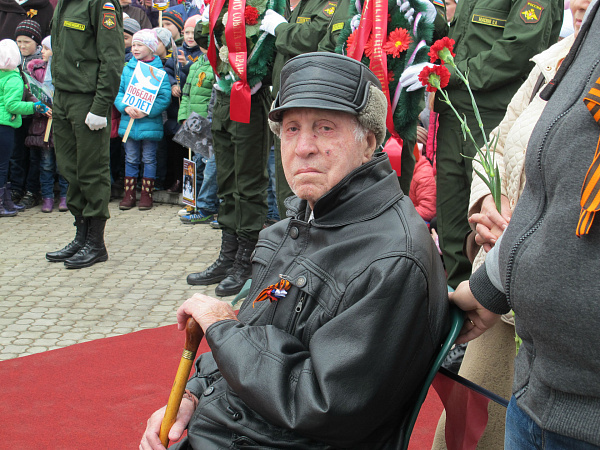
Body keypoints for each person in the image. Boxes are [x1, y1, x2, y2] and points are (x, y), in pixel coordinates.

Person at [140, 52, 449, 450]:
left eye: (325, 128)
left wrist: (221, 328)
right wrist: (193, 394)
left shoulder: (392, 260)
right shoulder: (295, 227)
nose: (303, 147)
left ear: (369, 142)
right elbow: (251, 331)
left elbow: (324, 404)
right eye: (291, 129)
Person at [433, 1, 591, 448]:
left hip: (563, 326)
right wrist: (490, 198)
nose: (581, 5)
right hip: (500, 306)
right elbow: (496, 145)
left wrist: (518, 240)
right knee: (465, 435)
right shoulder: (554, 63)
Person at [400, 0, 564, 289]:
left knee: (493, 226)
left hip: (494, 121)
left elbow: (518, 52)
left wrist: (449, 74)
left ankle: (490, 307)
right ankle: (458, 306)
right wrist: (431, 18)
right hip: (454, 116)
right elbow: (459, 42)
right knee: (451, 227)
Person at [46, 0, 124, 269]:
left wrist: (101, 106)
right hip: (63, 96)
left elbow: (112, 58)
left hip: (87, 99)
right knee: (70, 168)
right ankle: (81, 236)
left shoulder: (100, 4)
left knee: (92, 170)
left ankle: (95, 242)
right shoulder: (64, 3)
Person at [260, 0, 352, 220]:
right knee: (287, 181)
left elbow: (313, 38)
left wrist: (281, 29)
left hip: (313, 106)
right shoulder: (300, 5)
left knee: (310, 182)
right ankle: (290, 232)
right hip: (287, 104)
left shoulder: (331, 3)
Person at [115, 29, 171, 211]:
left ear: (151, 47)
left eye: (140, 45)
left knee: (149, 158)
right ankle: (129, 194)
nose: (135, 48)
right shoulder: (127, 69)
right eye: (133, 45)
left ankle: (147, 195)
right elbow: (119, 93)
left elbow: (164, 98)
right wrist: (126, 107)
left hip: (150, 123)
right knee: (130, 158)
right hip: (129, 122)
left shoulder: (159, 72)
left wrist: (147, 111)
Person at [0, 38, 49, 217]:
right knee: (3, 166)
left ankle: (6, 200)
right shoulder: (13, 78)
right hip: (5, 125)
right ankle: (1, 203)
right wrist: (35, 107)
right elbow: (12, 105)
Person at [25, 35, 69, 213]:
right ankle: (47, 197)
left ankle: (65, 196)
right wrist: (41, 107)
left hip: (62, 125)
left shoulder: (66, 70)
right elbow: (31, 93)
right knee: (46, 164)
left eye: (46, 48)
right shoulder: (36, 71)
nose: (42, 51)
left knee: (63, 164)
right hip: (44, 125)